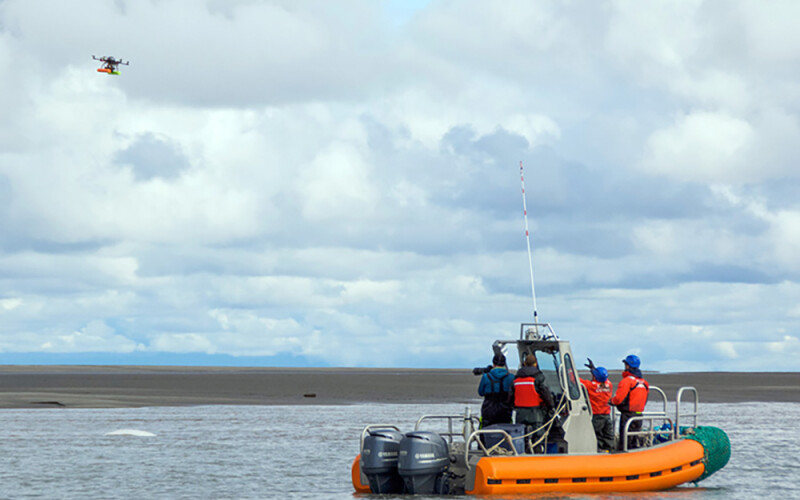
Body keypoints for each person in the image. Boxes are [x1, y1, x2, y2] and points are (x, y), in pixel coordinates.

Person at [511, 354, 555, 453]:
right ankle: (537, 452)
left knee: (521, 435)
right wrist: (551, 406)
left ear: (524, 363)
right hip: (535, 412)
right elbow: (545, 393)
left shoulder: (516, 378)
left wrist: (512, 406)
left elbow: (511, 395)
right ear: (535, 363)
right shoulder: (539, 377)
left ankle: (522, 452)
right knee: (538, 435)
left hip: (520, 412)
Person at [611, 354, 650, 451]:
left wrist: (611, 401)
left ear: (627, 366)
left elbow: (619, 398)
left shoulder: (627, 381)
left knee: (625, 441)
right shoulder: (644, 382)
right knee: (634, 438)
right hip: (639, 415)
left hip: (628, 415)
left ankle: (623, 457)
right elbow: (645, 399)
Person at [579, 359, 615, 451]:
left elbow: (576, 380)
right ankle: (609, 452)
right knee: (608, 436)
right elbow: (603, 379)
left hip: (596, 415)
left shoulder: (591, 386)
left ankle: (598, 452)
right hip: (606, 415)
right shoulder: (609, 384)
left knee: (596, 436)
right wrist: (593, 369)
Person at [477, 353, 513, 429]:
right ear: (504, 364)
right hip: (505, 408)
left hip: (489, 408)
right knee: (505, 430)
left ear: (493, 363)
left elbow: (481, 392)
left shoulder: (486, 376)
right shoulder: (511, 377)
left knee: (487, 430)